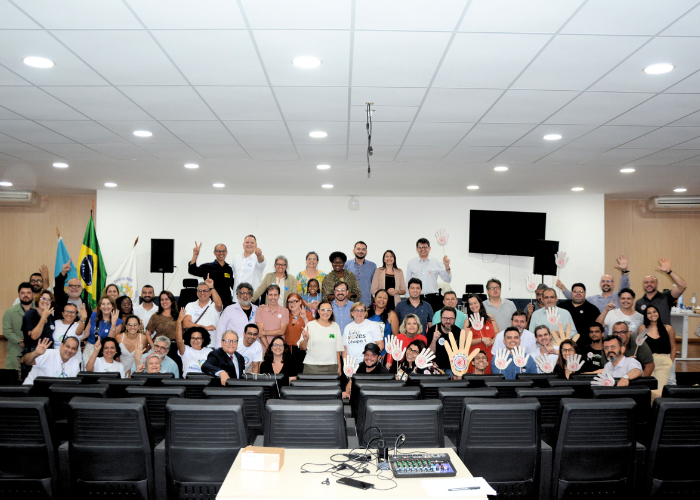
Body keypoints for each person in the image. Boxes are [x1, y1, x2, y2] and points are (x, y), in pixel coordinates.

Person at [557, 255, 631, 312]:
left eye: (608, 281)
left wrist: (624, 271)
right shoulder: (594, 299)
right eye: (603, 281)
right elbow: (577, 297)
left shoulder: (619, 296)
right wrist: (563, 288)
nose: (605, 283)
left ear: (614, 284)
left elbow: (624, 286)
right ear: (600, 284)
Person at [638, 305, 676, 397]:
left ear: (658, 313)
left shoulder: (668, 328)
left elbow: (673, 347)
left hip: (663, 362)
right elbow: (639, 346)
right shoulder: (643, 328)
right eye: (649, 313)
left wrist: (670, 361)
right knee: (648, 389)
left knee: (659, 391)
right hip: (648, 362)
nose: (652, 314)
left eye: (654, 311)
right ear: (646, 315)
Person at [635, 258, 687, 324]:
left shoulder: (666, 296)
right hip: (647, 333)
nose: (649, 284)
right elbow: (639, 323)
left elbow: (682, 286)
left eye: (652, 282)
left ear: (657, 284)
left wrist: (669, 272)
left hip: (664, 333)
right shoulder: (639, 302)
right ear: (643, 285)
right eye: (646, 282)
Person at [298, 301, 343, 375]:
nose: (326, 312)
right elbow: (302, 347)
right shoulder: (310, 325)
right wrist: (305, 341)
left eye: (329, 310)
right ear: (318, 311)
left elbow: (337, 349)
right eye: (323, 310)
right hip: (312, 366)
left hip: (331, 367)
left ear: (332, 312)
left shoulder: (335, 326)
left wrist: (339, 366)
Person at [2, 282, 33, 384]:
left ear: (32, 294)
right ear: (19, 295)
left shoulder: (39, 311)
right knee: (14, 385)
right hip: (15, 353)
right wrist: (20, 341)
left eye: (28, 292)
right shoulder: (10, 312)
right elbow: (7, 331)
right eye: (23, 293)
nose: (25, 295)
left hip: (34, 354)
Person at [188, 242, 235, 306]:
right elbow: (192, 270)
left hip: (227, 302)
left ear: (226, 252)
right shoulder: (207, 267)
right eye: (218, 251)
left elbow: (233, 285)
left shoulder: (229, 268)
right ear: (214, 253)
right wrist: (195, 255)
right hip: (212, 303)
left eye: (223, 251)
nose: (221, 253)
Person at [216, 283, 258, 349]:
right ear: (238, 295)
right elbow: (221, 329)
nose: (245, 295)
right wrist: (219, 348)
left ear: (251, 295)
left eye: (248, 293)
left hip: (253, 348)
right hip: (233, 348)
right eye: (242, 293)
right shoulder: (229, 309)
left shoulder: (258, 310)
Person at [464, 294, 498, 371]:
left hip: (490, 352)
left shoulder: (490, 317)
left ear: (480, 303)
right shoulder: (467, 322)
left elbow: (497, 333)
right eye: (470, 304)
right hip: (475, 355)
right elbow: (467, 341)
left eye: (475, 303)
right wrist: (482, 339)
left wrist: (492, 340)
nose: (473, 306)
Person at [175, 307, 213, 377]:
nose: (195, 341)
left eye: (198, 338)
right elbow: (179, 340)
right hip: (188, 383)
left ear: (203, 339)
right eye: (193, 338)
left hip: (205, 382)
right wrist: (179, 321)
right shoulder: (186, 350)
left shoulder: (209, 351)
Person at [146, 291, 179, 369]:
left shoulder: (179, 315)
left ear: (172, 301)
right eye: (162, 299)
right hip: (160, 348)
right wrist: (153, 347)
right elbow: (147, 333)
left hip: (175, 348)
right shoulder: (156, 316)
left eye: (167, 299)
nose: (164, 302)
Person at [425, 308, 462, 374]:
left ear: (455, 319)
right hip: (435, 367)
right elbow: (429, 355)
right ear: (440, 318)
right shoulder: (432, 330)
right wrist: (434, 340)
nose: (448, 321)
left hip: (452, 368)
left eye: (451, 318)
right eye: (445, 318)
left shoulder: (458, 332)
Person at [22, 290, 56, 355]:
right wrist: (43, 318)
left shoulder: (50, 316)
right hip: (34, 352)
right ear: (38, 300)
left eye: (48, 299)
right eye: (43, 298)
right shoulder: (30, 314)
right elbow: (34, 336)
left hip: (48, 352)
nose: (45, 301)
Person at [255, 285, 289, 350]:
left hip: (279, 349)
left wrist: (264, 332)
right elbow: (260, 332)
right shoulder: (260, 309)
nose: (273, 297)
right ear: (267, 295)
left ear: (279, 295)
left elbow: (282, 331)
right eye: (270, 295)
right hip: (263, 349)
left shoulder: (285, 311)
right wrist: (269, 348)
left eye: (275, 295)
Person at [344, 241, 377, 308]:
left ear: (366, 252)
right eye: (358, 249)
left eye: (363, 249)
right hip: (350, 302)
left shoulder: (372, 266)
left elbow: (374, 283)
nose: (361, 251)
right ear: (354, 251)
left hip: (366, 302)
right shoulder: (347, 265)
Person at [285, 293, 312, 370]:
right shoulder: (286, 314)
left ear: (300, 302)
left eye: (294, 301)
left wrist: (305, 318)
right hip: (287, 351)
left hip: (302, 350)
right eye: (289, 302)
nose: (292, 304)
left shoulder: (308, 314)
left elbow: (311, 331)